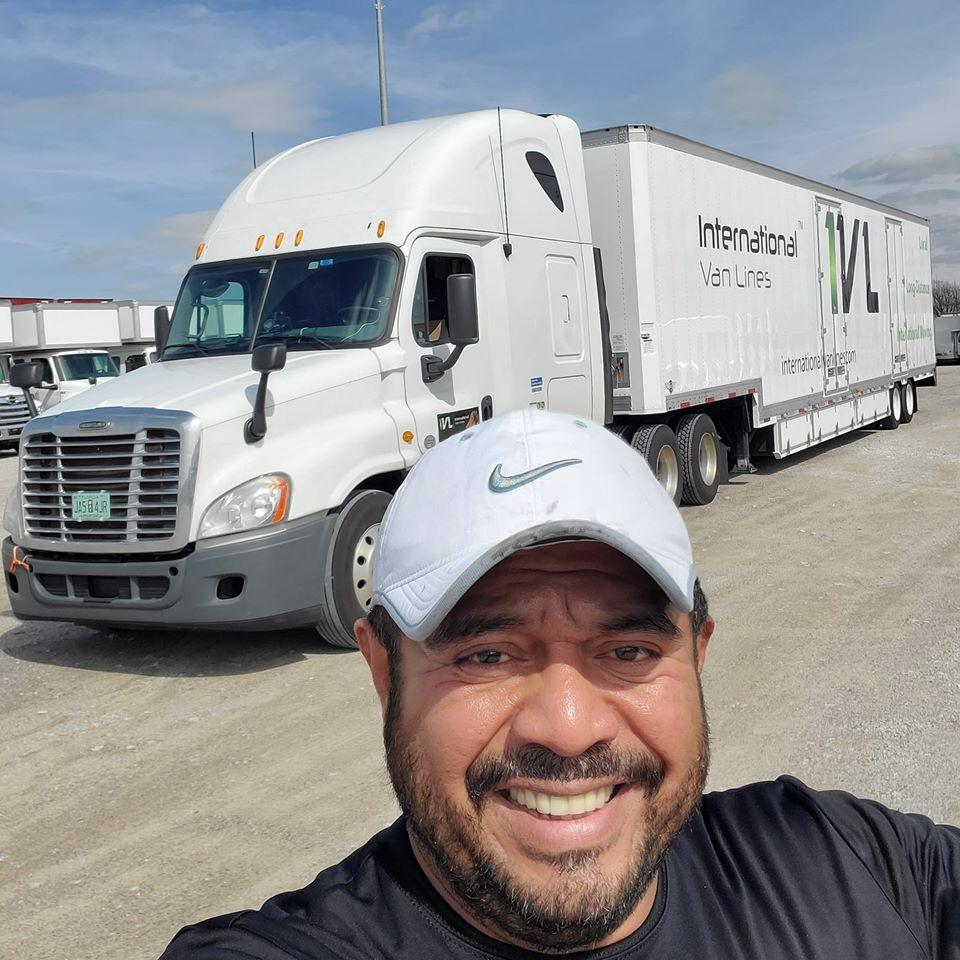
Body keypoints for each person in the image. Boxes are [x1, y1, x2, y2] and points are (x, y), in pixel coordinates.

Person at [161, 409, 959, 959]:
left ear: (698, 657)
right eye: (488, 656)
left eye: (631, 650)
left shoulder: (849, 862)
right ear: (383, 671)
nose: (570, 728)